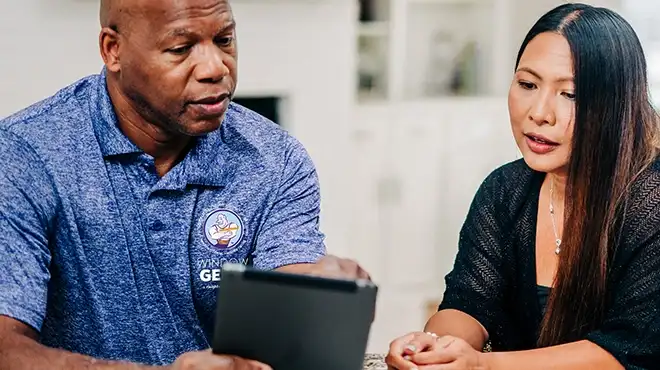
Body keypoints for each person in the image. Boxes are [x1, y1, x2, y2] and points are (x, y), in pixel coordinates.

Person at [0, 0, 370, 369]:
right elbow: (6, 349)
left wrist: (322, 288)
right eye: (180, 48)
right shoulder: (26, 154)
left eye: (224, 40)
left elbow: (290, 287)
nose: (216, 68)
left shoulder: (275, 159)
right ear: (113, 50)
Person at [386, 3, 660, 370]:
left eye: (571, 94)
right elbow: (469, 301)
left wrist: (483, 365)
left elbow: (628, 351)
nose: (539, 113)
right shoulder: (505, 190)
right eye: (527, 84)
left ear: (616, 103)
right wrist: (435, 347)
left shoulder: (651, 203)